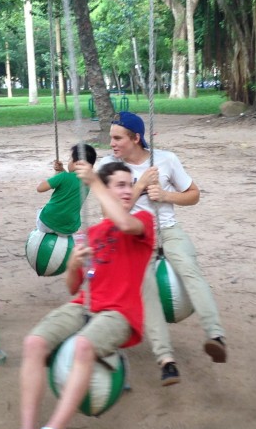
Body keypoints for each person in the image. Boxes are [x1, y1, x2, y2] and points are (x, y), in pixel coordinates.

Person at [5, 160, 155, 429]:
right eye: (120, 185)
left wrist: (95, 183)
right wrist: (73, 264)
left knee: (83, 346)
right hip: (85, 304)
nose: (128, 190)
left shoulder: (143, 220)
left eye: (130, 185)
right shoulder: (92, 233)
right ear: (105, 192)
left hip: (120, 313)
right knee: (34, 343)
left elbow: (125, 225)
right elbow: (75, 287)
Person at [97, 111, 226, 386]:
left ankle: (215, 336)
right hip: (133, 235)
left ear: (136, 138)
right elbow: (109, 214)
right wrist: (140, 186)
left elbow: (194, 195)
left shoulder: (166, 160)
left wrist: (166, 195)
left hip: (167, 229)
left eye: (118, 138)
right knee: (148, 290)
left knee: (189, 269)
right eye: (111, 138)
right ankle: (166, 360)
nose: (112, 144)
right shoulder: (108, 166)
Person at [35, 143, 97, 235]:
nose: (69, 161)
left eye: (69, 159)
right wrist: (61, 170)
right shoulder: (88, 182)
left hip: (47, 224)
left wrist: (56, 177)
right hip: (69, 229)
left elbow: (40, 188)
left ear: (77, 163)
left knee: (40, 211)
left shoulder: (63, 177)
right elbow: (72, 181)